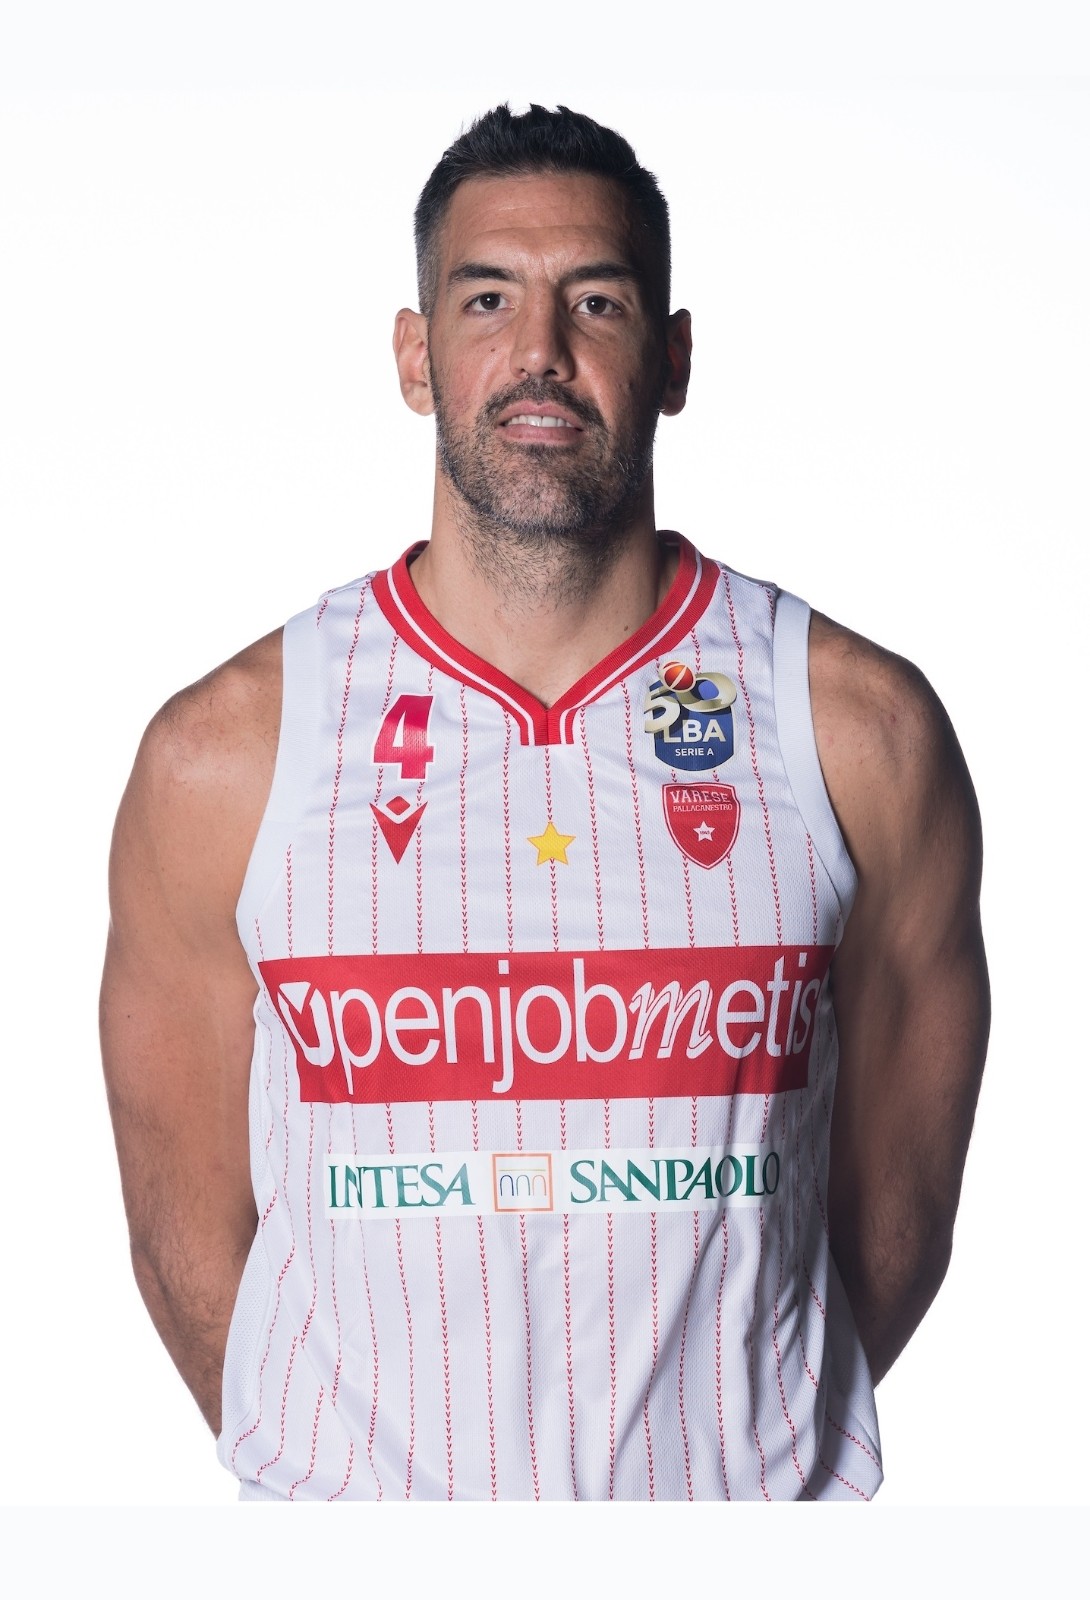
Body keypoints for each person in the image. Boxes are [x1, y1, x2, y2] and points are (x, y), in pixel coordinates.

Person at [100, 103, 989, 1501]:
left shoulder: (859, 733)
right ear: (415, 356)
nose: (540, 353)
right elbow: (181, 1230)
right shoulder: (223, 755)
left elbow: (902, 1207)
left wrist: (724, 1488)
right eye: (487, 300)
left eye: (596, 301)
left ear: (673, 357)